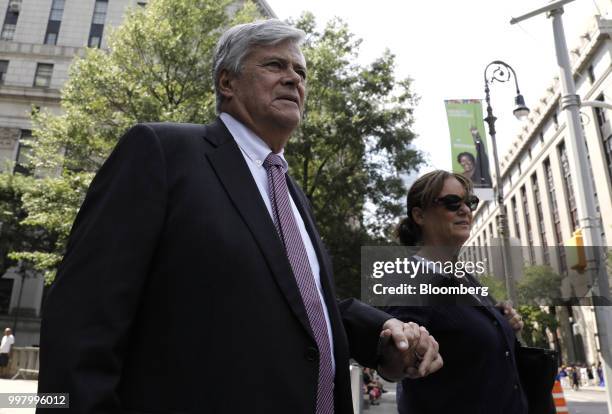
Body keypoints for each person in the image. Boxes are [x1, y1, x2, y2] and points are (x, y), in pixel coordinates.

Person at [36, 20, 443, 414]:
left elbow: (301, 302)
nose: (293, 79)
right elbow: (84, 315)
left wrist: (384, 333)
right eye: (274, 65)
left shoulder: (290, 192)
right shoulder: (162, 152)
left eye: (300, 71)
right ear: (227, 82)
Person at [385, 170, 527, 413]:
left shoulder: (466, 277)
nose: (465, 210)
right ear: (419, 215)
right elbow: (395, 360)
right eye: (452, 203)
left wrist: (504, 324)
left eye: (469, 202)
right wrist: (406, 349)